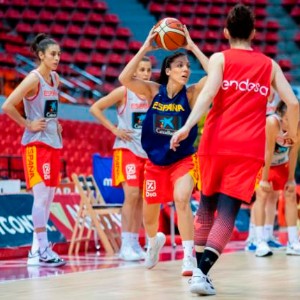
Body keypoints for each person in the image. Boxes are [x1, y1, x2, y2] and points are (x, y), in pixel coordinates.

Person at [170, 4, 299, 295]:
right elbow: (292, 103)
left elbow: (208, 95)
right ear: (254, 33)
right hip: (248, 149)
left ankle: (196, 269)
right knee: (227, 213)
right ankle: (201, 274)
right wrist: (290, 131)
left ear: (226, 32)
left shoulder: (219, 59)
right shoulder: (269, 65)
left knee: (206, 206)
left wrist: (187, 126)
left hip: (214, 143)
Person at [118, 27, 208, 276]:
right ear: (168, 71)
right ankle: (153, 241)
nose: (185, 69)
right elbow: (124, 79)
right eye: (180, 65)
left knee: (181, 199)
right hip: (155, 163)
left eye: (187, 66)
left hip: (183, 160)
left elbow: (215, 75)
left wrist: (191, 46)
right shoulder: (152, 91)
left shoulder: (190, 94)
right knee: (150, 219)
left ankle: (189, 256)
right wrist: (146, 47)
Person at [1, 33, 65, 267]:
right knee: (40, 197)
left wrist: (55, 123)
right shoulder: (33, 78)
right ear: (41, 55)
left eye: (58, 54)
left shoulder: (56, 79)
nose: (57, 58)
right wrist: (28, 123)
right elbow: (7, 105)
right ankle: (42, 249)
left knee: (48, 199)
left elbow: (49, 109)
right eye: (52, 54)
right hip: (35, 146)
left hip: (53, 143)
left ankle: (37, 249)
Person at [90, 57, 152, 261]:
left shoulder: (152, 94)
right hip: (126, 150)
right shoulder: (124, 91)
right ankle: (125, 244)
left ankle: (134, 241)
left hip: (145, 152)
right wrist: (114, 129)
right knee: (131, 194)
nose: (145, 73)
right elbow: (95, 108)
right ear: (133, 72)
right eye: (141, 69)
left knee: (141, 198)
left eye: (148, 70)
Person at [253, 100, 300, 257]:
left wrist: (291, 179)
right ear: (283, 117)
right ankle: (259, 241)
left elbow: (294, 153)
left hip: (282, 162)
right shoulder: (272, 122)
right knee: (262, 194)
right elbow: (267, 151)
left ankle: (293, 242)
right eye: (291, 119)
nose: (295, 122)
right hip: (263, 162)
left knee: (290, 194)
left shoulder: (298, 126)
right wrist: (264, 179)